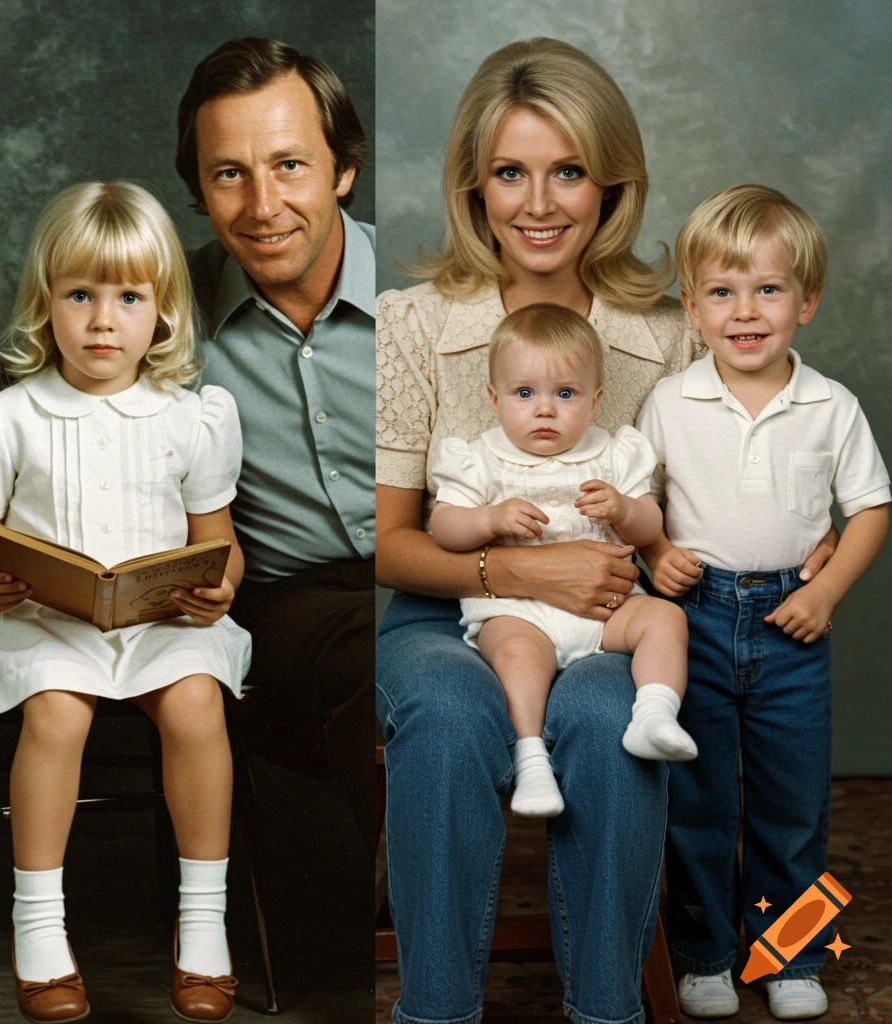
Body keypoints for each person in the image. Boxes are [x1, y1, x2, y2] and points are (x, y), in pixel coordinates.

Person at [375, 40, 836, 1024]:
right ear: (472, 183)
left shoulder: (669, 332)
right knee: (451, 717)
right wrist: (520, 568)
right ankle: (436, 1008)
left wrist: (819, 529)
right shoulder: (411, 326)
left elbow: (756, 440)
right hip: (445, 610)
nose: (538, 203)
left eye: (568, 171)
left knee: (607, 718)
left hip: (612, 614)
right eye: (510, 172)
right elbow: (389, 544)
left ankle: (607, 1007)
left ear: (611, 180)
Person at [0, 182, 250, 1024]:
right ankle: (39, 925)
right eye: (80, 295)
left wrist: (218, 586)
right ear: (46, 305)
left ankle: (203, 923)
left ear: (163, 315)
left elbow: (219, 539)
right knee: (58, 710)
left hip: (156, 624)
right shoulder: (4, 417)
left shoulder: (193, 418)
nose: (102, 321)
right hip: (36, 620)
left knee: (195, 704)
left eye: (128, 298)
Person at [638, 184, 890, 1021]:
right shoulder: (671, 402)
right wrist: (657, 551)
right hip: (696, 621)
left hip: (792, 627)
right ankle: (706, 953)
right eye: (721, 291)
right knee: (698, 798)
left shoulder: (831, 407)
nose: (744, 311)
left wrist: (826, 591)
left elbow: (873, 509)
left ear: (806, 302)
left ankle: (793, 955)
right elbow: (642, 500)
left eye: (768, 290)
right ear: (692, 306)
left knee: (792, 805)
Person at [176, 37, 374, 850]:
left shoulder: (433, 291)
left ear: (343, 169)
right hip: (291, 609)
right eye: (230, 173)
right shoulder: (157, 312)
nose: (262, 206)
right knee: (386, 659)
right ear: (199, 188)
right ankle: (425, 928)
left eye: (289, 165)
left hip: (454, 572)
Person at [429, 303, 697, 818]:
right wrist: (488, 519)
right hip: (518, 610)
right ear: (494, 398)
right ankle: (531, 760)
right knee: (516, 656)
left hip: (605, 608)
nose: (545, 409)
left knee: (665, 618)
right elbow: (444, 527)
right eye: (524, 393)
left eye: (565, 394)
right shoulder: (480, 458)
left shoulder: (615, 454)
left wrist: (623, 508)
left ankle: (655, 714)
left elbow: (649, 527)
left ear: (596, 401)